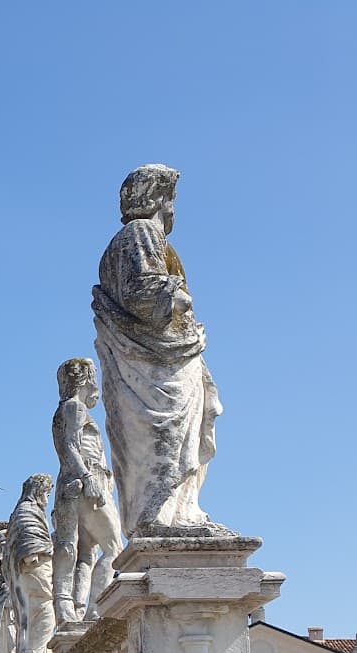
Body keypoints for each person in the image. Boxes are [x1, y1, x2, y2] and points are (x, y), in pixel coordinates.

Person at [92, 164, 221, 534]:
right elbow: (141, 292)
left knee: (172, 438)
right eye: (172, 199)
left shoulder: (126, 241)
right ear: (159, 199)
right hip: (159, 363)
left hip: (151, 358)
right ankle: (167, 517)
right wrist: (176, 296)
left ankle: (173, 513)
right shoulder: (142, 232)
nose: (173, 209)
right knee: (169, 438)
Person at [51, 358, 123, 623]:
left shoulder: (67, 408)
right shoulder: (75, 407)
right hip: (86, 483)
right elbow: (70, 446)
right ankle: (96, 606)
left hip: (72, 485)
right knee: (114, 547)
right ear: (87, 379)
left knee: (84, 552)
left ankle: (78, 608)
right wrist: (89, 477)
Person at [6, 474, 55, 653]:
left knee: (26, 620)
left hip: (27, 574)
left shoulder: (21, 511)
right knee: (45, 613)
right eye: (46, 493)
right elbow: (29, 547)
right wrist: (37, 553)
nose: (47, 497)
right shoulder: (28, 511)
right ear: (38, 491)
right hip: (34, 570)